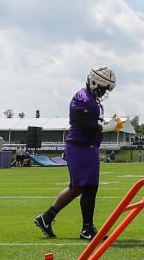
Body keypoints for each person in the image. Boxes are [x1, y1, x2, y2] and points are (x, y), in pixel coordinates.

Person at [34, 66, 118, 240]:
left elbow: (92, 124)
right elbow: (85, 126)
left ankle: (48, 218)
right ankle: (86, 228)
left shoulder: (91, 99)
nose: (104, 92)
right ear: (94, 82)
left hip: (87, 147)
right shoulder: (82, 97)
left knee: (83, 187)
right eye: (103, 88)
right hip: (80, 147)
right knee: (85, 186)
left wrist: (108, 123)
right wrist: (106, 127)